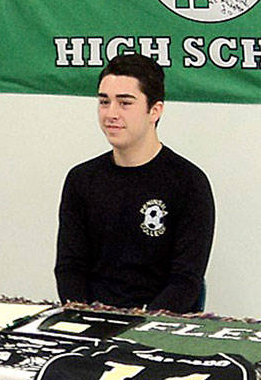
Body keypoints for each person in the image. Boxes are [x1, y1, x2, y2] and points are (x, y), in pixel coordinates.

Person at [54, 53, 213, 314]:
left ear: (155, 110)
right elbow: (70, 268)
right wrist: (84, 316)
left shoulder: (189, 183)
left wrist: (138, 326)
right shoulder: (81, 180)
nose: (111, 114)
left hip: (157, 329)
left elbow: (185, 281)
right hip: (91, 323)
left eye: (125, 103)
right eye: (104, 102)